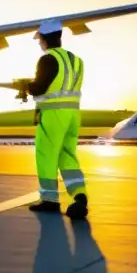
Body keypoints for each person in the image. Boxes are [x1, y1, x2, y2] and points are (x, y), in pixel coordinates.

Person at [24, 19, 89, 219]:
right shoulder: (76, 60)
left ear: (45, 39)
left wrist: (26, 86)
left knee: (46, 156)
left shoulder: (48, 59)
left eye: (40, 39)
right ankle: (79, 196)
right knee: (68, 156)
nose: (39, 43)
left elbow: (40, 87)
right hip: (72, 115)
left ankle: (49, 201)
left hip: (53, 116)